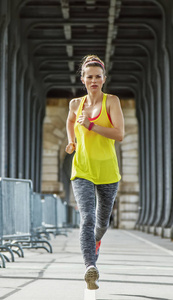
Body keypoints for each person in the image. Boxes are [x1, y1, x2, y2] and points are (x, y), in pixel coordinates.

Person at [65, 54, 124, 290]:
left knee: (101, 223)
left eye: (98, 76)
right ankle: (90, 267)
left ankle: (96, 242)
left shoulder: (112, 102)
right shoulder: (74, 105)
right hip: (82, 170)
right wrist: (72, 141)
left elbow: (119, 134)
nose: (94, 80)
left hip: (108, 171)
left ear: (104, 78)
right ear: (82, 79)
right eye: (89, 76)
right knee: (87, 218)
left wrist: (91, 125)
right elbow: (70, 122)